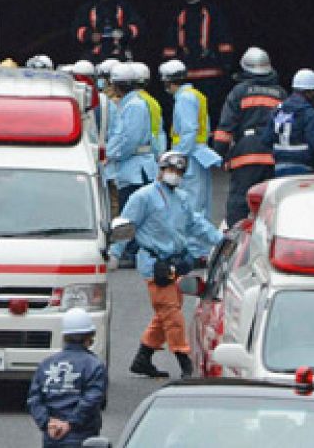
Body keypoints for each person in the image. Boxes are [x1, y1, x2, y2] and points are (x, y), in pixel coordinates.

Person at [119, 151, 223, 378]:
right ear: (161, 169)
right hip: (154, 263)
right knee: (171, 313)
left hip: (176, 261)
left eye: (178, 171)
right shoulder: (143, 197)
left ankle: (143, 358)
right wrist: (113, 253)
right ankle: (184, 360)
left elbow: (196, 224)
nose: (174, 175)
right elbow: (125, 226)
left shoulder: (182, 199)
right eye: (171, 170)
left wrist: (221, 241)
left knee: (165, 312)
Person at [214, 48, 286, 224]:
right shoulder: (281, 94)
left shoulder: (239, 92)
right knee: (270, 204)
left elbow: (225, 129)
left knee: (240, 203)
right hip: (272, 156)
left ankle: (235, 243)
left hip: (245, 156)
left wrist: (219, 155)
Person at [27, 308, 109, 448]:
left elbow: (34, 399)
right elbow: (92, 400)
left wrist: (47, 422)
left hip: (51, 437)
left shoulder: (47, 364)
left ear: (64, 336)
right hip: (82, 437)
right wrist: (70, 423)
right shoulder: (94, 365)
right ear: (89, 337)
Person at [104, 62, 157, 268]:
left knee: (131, 211)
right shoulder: (130, 103)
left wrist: (113, 154)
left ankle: (130, 251)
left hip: (135, 167)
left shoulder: (133, 105)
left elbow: (130, 140)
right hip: (132, 167)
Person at [160, 0, 235, 118]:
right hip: (186, 73)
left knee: (211, 110)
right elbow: (170, 42)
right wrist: (169, 65)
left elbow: (223, 37)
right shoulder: (178, 15)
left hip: (211, 73)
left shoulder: (213, 13)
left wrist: (225, 63)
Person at [159, 59, 221, 219]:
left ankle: (192, 243)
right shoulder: (195, 95)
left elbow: (188, 131)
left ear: (168, 81)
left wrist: (178, 158)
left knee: (190, 202)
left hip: (189, 156)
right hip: (197, 154)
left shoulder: (184, 99)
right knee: (199, 201)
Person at [262, 69, 314, 177]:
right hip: (303, 167)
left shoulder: (278, 110)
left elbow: (266, 139)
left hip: (278, 167)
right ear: (309, 92)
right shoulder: (310, 113)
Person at [72, 0, 141, 63]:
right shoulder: (87, 7)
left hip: (120, 53)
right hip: (93, 54)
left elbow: (137, 26)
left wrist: (124, 32)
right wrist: (90, 35)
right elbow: (76, 29)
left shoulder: (124, 6)